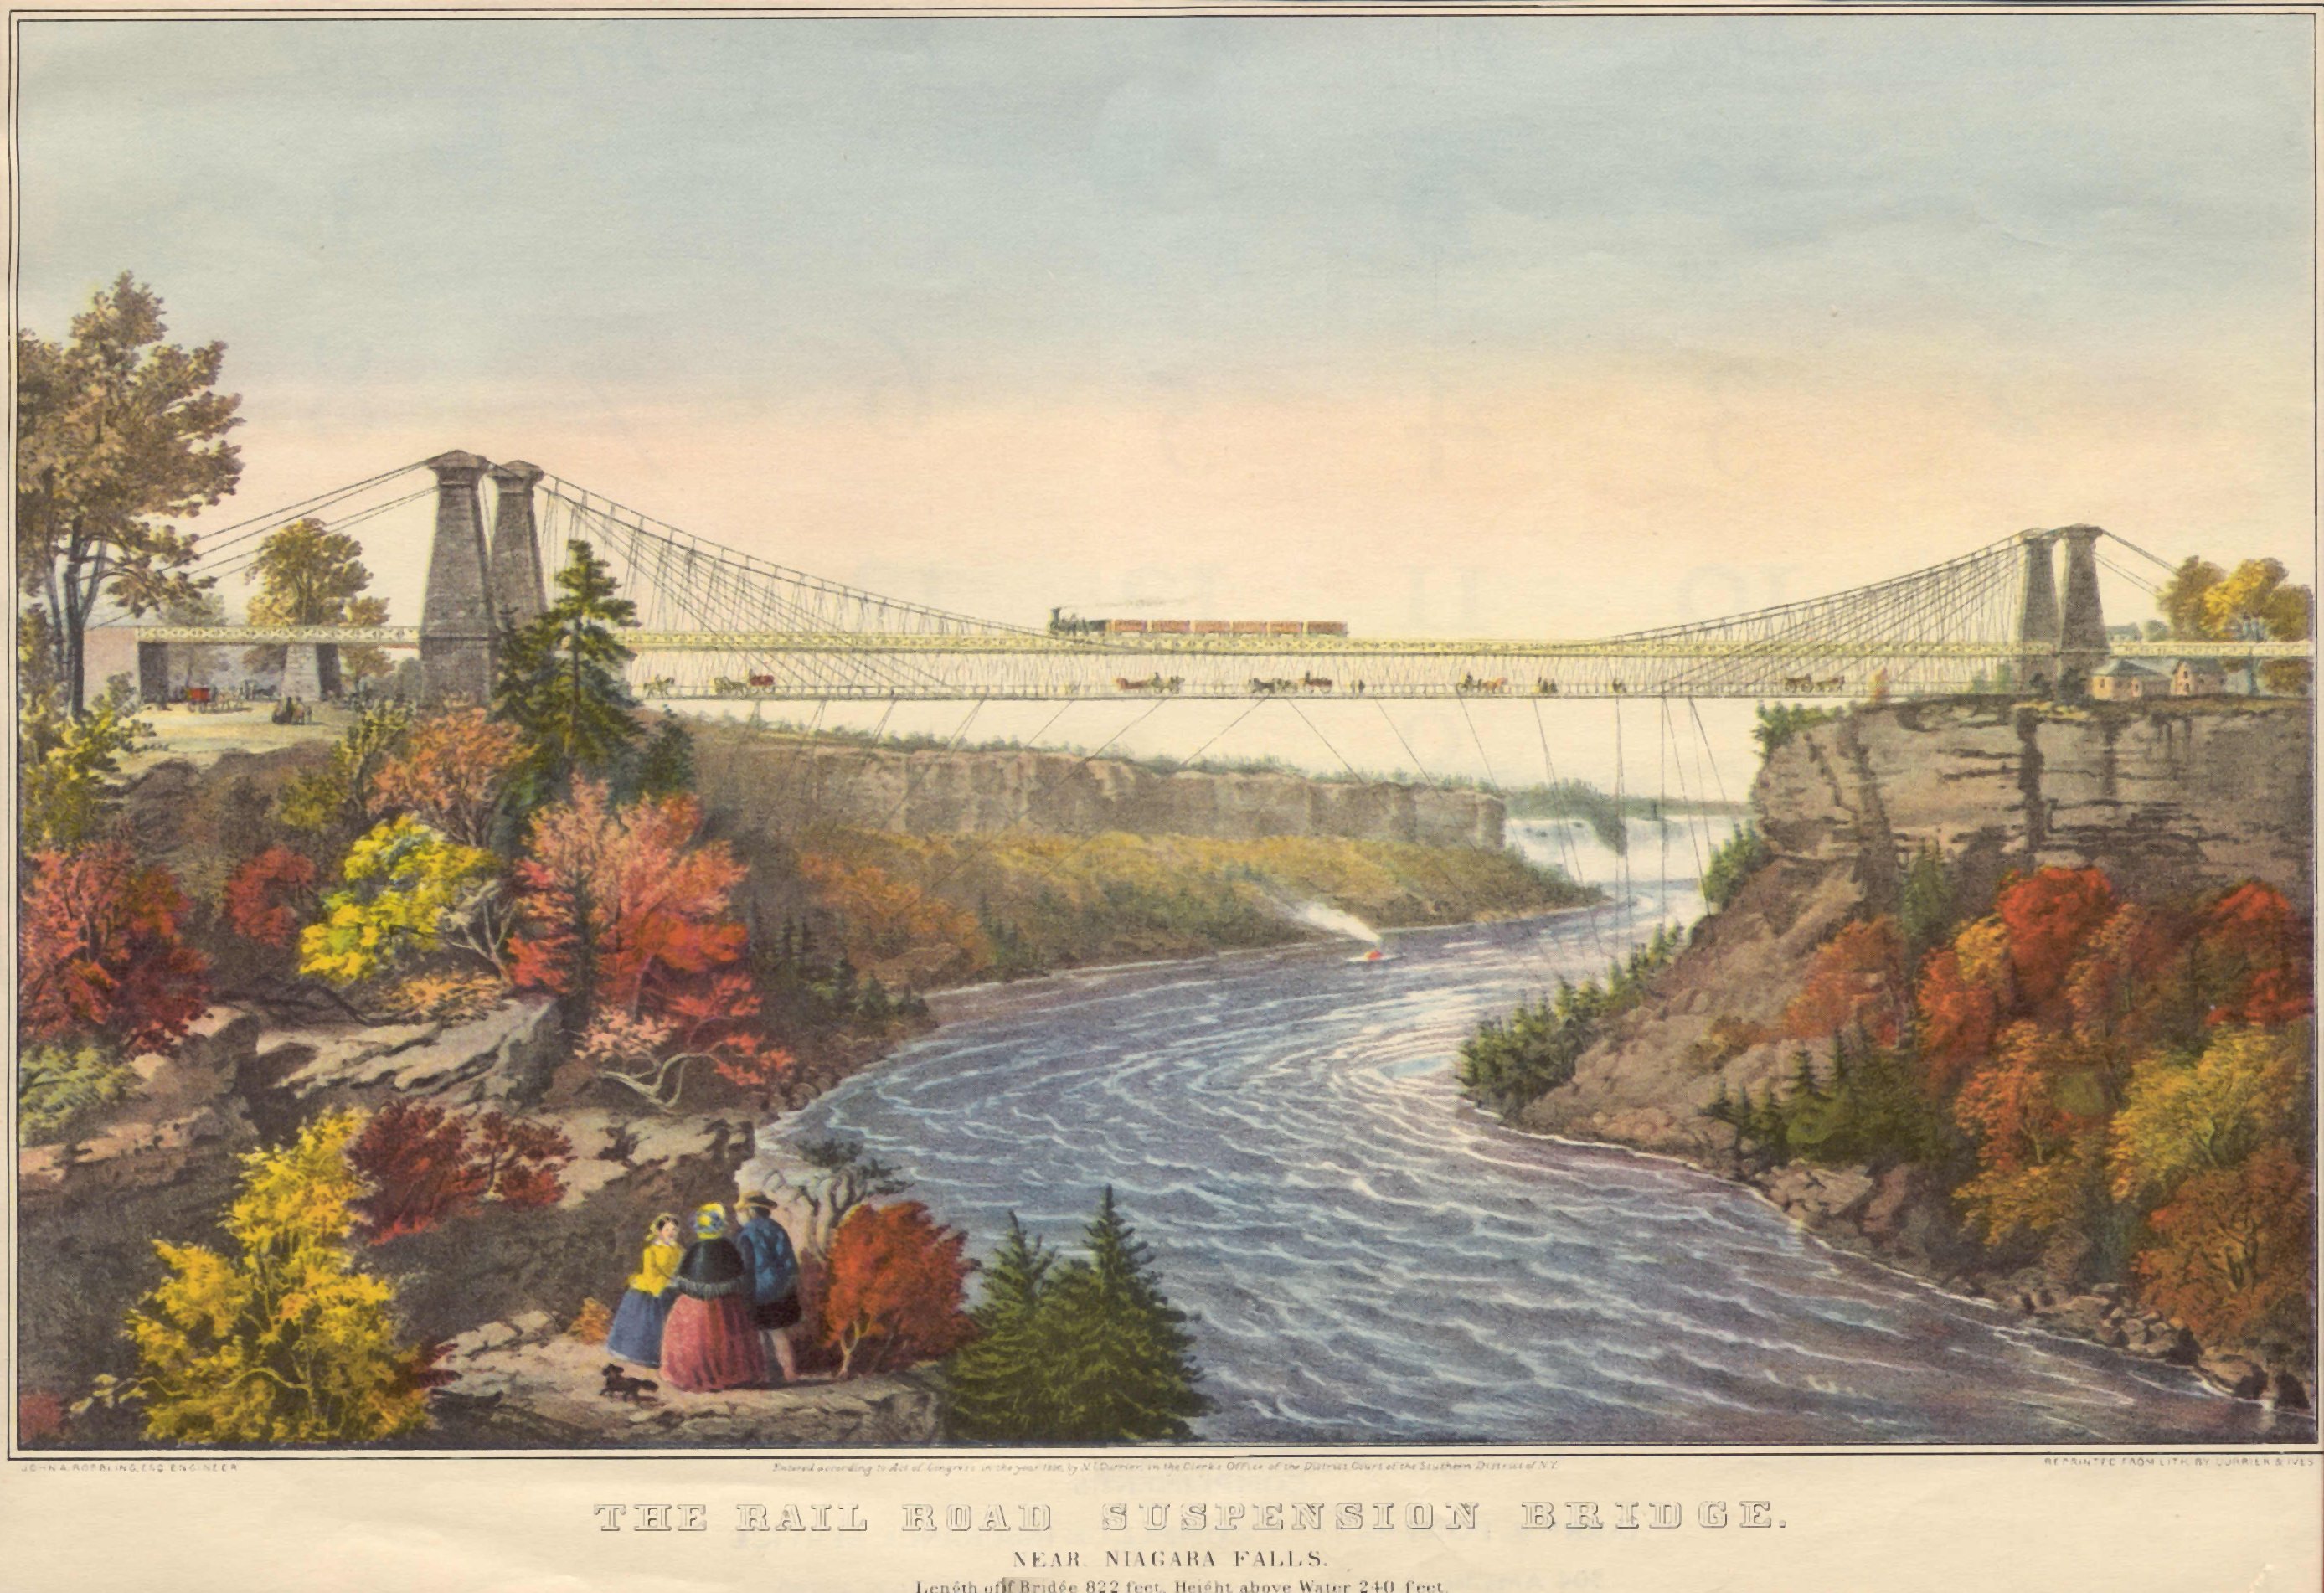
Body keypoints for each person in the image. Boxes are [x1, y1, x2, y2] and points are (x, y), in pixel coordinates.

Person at [658, 1204, 769, 1393]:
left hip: (696, 1303)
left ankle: (700, 1375)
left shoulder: (696, 1248)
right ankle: (729, 1375)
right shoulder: (727, 1246)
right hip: (725, 1303)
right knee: (724, 1333)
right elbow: (738, 1273)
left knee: (699, 1334)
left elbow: (682, 1277)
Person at [731, 1191, 802, 1382]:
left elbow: (744, 1266)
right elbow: (790, 1264)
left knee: (760, 1334)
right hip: (780, 1289)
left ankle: (767, 1373)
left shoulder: (745, 1233)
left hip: (755, 1290)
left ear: (751, 1212)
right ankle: (790, 1372)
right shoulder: (778, 1229)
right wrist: (786, 1285)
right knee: (779, 1333)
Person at [603, 1213, 683, 1368]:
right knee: (649, 1321)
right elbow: (650, 1273)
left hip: (672, 1287)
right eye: (667, 1230)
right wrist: (665, 1284)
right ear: (660, 1232)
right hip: (652, 1289)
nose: (671, 1233)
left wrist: (677, 1281)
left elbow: (680, 1269)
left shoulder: (679, 1250)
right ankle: (640, 1354)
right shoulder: (651, 1251)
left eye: (674, 1230)